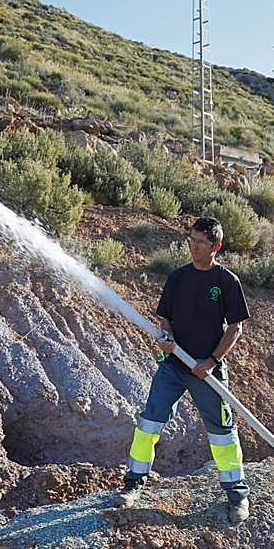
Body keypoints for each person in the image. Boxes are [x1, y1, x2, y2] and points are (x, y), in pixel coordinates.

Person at [116, 216, 252, 524]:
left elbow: (235, 328)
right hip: (173, 367)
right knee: (148, 423)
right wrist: (170, 339)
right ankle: (133, 484)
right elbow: (166, 318)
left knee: (222, 434)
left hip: (207, 371)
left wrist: (212, 361)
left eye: (201, 242)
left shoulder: (226, 282)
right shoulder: (178, 278)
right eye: (191, 240)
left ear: (215, 247)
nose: (193, 246)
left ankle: (237, 496)